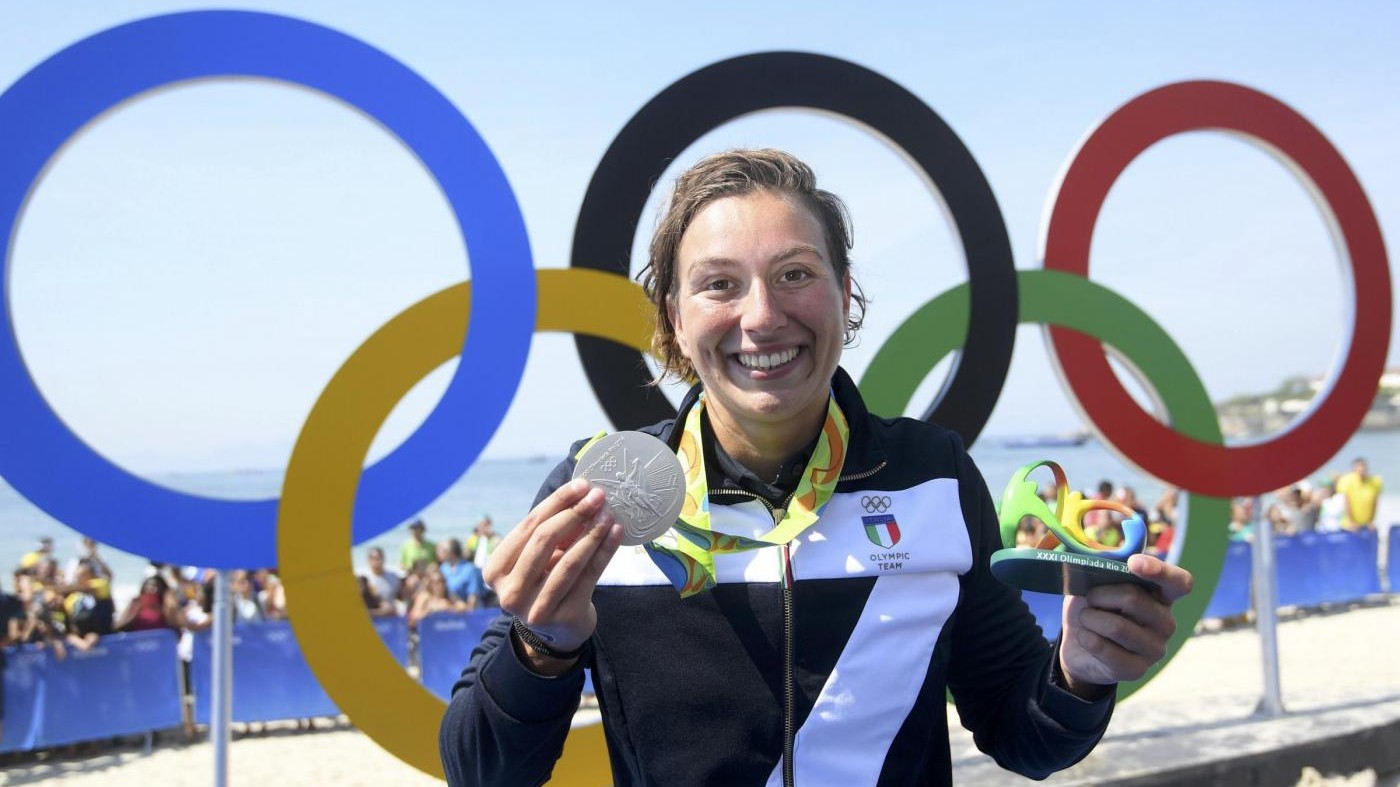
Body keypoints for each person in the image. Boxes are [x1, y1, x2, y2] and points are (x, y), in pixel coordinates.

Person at [438, 149, 1193, 786]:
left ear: (846, 292)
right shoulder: (601, 491)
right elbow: (480, 769)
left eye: (795, 273)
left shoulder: (932, 475)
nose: (762, 315)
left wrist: (1083, 670)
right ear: (674, 315)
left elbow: (1027, 736)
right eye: (719, 283)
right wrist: (543, 645)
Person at [1335, 457, 1382, 531]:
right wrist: (1351, 522)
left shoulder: (1374, 481)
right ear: (1354, 469)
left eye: (1363, 466)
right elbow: (1346, 502)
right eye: (1359, 467)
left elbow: (1375, 502)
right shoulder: (1347, 480)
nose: (1361, 469)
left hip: (1366, 524)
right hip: (1348, 524)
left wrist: (1371, 520)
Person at [437, 538, 485, 609]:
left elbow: (473, 597)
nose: (438, 552)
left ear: (451, 552)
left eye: (441, 550)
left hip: (468, 612)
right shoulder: (443, 568)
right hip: (449, 611)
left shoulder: (469, 569)